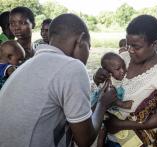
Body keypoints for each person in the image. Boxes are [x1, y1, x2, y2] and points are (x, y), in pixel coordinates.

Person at [0, 13, 117, 147]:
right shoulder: (72, 67)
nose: (88, 54)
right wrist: (102, 103)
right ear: (81, 39)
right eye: (88, 47)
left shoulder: (28, 64)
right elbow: (85, 140)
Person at [93, 15, 157, 147]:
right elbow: (104, 84)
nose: (130, 50)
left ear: (154, 44)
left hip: (136, 140)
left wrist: (120, 124)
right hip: (106, 135)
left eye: (136, 47)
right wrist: (98, 77)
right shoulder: (123, 58)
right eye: (128, 45)